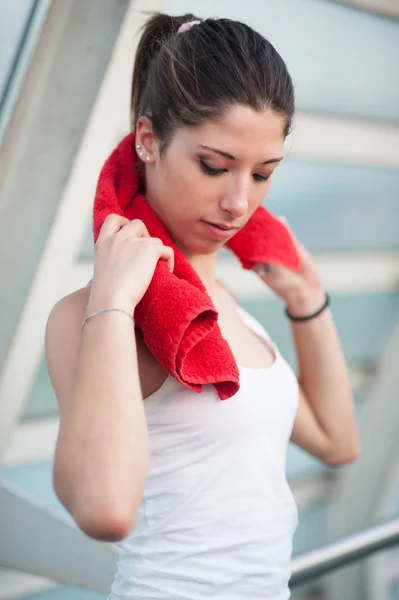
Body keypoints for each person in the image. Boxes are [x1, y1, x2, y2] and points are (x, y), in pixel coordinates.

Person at [45, 12, 361, 600]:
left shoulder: (222, 311)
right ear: (147, 140)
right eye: (214, 166)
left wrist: (308, 304)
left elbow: (338, 443)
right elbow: (104, 510)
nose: (239, 202)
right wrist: (114, 304)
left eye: (263, 173)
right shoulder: (88, 315)